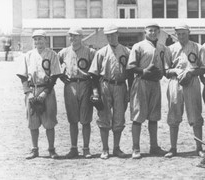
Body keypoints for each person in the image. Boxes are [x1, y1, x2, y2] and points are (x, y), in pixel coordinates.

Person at [164, 23, 205, 158]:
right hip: (175, 82)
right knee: (174, 114)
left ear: (189, 32)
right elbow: (165, 71)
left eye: (184, 33)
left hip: (192, 82)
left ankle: (199, 147)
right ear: (175, 34)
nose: (181, 36)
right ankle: (173, 148)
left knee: (195, 114)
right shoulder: (169, 49)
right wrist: (175, 70)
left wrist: (191, 73)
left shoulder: (197, 47)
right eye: (178, 33)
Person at [127, 22, 169, 159]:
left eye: (155, 31)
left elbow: (164, 66)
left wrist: (161, 73)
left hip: (155, 83)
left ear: (159, 32)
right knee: (138, 116)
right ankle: (136, 148)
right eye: (150, 30)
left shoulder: (162, 47)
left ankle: (154, 146)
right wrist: (144, 70)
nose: (153, 33)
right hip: (141, 82)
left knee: (154, 116)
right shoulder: (138, 46)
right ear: (145, 32)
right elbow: (131, 67)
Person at [88, 24, 131, 159]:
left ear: (118, 34)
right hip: (105, 85)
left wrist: (129, 91)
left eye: (113, 34)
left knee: (119, 118)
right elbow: (93, 75)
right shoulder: (101, 52)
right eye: (108, 35)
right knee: (104, 117)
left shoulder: (126, 51)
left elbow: (130, 73)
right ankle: (105, 148)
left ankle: (116, 148)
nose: (111, 37)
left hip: (121, 86)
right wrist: (96, 93)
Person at [17, 30, 62, 159]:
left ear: (45, 40)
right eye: (36, 39)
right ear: (33, 41)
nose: (38, 42)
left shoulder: (52, 54)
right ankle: (34, 149)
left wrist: (45, 93)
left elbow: (54, 76)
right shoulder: (28, 55)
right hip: (32, 90)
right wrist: (28, 93)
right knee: (33, 122)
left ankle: (51, 149)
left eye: (41, 39)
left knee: (49, 121)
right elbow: (23, 76)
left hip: (46, 90)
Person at [58, 27, 97, 159]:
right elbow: (56, 67)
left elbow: (96, 70)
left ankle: (86, 148)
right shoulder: (64, 52)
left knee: (85, 120)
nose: (73, 38)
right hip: (70, 86)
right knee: (73, 119)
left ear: (81, 37)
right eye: (71, 36)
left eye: (75, 36)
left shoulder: (90, 51)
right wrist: (62, 77)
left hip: (85, 84)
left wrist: (94, 88)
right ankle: (73, 148)